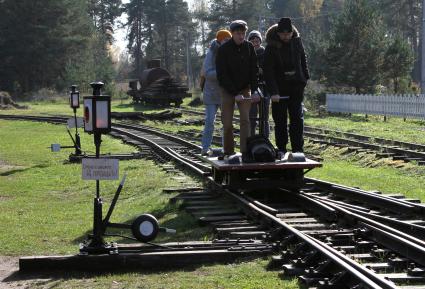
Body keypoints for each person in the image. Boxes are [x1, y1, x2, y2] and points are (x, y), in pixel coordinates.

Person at [263, 17, 310, 157]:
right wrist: (273, 92)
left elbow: (303, 60)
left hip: (296, 86)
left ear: (292, 33)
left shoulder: (297, 43)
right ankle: (282, 148)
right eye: (283, 34)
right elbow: (268, 71)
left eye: (288, 34)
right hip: (279, 89)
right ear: (278, 33)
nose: (285, 36)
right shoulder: (271, 47)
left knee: (297, 119)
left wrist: (305, 78)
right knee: (280, 120)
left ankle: (297, 149)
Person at [216, 20, 260, 162]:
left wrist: (254, 90)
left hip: (244, 88)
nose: (241, 36)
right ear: (232, 34)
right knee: (227, 123)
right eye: (238, 33)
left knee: (245, 120)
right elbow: (222, 75)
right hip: (228, 90)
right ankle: (229, 151)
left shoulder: (249, 47)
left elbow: (254, 71)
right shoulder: (223, 50)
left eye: (243, 33)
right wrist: (235, 93)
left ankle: (245, 151)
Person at [200, 29, 232, 156]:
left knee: (227, 122)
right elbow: (207, 73)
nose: (228, 42)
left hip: (225, 92)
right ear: (220, 40)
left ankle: (226, 148)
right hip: (211, 93)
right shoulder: (211, 53)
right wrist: (223, 73)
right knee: (209, 121)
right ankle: (205, 147)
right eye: (225, 39)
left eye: (229, 40)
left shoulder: (231, 51)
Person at [247, 30, 270, 138]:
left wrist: (262, 71)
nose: (255, 43)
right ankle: (250, 138)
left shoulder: (266, 53)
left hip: (265, 87)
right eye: (253, 41)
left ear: (260, 41)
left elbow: (270, 69)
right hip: (251, 87)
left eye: (257, 40)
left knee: (264, 117)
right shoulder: (247, 53)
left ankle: (265, 138)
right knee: (251, 116)